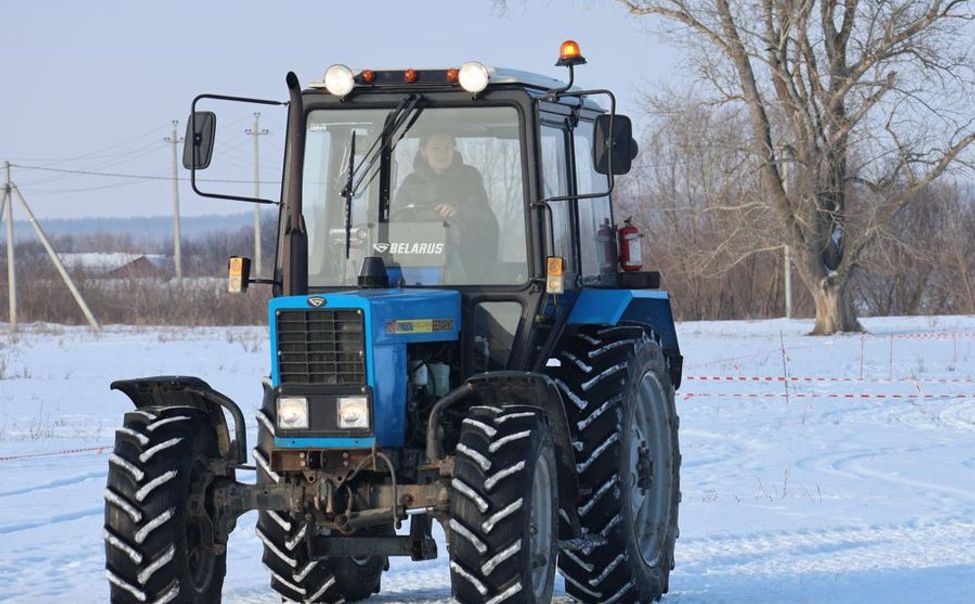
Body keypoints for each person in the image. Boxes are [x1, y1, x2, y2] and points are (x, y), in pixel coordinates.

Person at [394, 132, 500, 281]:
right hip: (419, 251)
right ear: (424, 152)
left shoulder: (470, 177)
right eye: (435, 148)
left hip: (467, 251)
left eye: (447, 147)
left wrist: (458, 209)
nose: (442, 153)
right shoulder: (410, 183)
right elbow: (397, 218)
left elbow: (482, 214)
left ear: (454, 150)